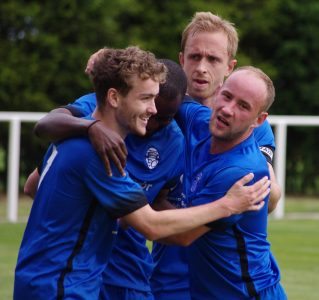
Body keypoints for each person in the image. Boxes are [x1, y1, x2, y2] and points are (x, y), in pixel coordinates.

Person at [20, 47, 269, 300]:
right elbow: (151, 225)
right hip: (62, 284)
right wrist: (227, 205)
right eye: (145, 99)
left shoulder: (75, 136)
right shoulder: (98, 151)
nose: (152, 110)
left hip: (57, 279)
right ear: (114, 98)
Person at [150, 12, 281, 300]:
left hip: (232, 282)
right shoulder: (155, 114)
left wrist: (133, 202)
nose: (201, 68)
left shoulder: (250, 131)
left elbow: (270, 196)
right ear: (181, 60)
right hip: (169, 277)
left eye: (213, 60)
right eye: (195, 57)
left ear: (229, 68)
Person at [169, 66, 287, 299]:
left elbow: (181, 235)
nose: (227, 109)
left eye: (243, 106)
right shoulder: (199, 120)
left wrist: (130, 201)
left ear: (259, 120)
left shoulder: (242, 172)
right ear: (218, 92)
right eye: (227, 96)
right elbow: (162, 87)